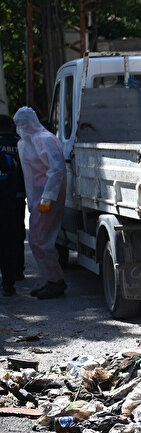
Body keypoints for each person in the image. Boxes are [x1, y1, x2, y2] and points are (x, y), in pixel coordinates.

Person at [13, 107, 67, 299]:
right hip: (40, 198)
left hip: (46, 199)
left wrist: (48, 197)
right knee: (40, 240)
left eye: (22, 124)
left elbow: (57, 169)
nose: (20, 129)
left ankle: (55, 282)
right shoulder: (30, 141)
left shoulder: (45, 139)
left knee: (39, 240)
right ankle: (52, 280)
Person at [0, 114, 26, 296]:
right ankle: (16, 272)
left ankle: (7, 277)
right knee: (15, 235)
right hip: (15, 198)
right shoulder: (21, 143)